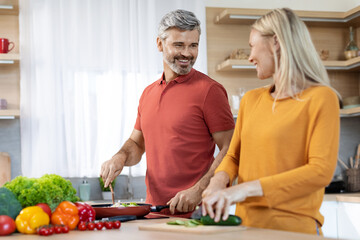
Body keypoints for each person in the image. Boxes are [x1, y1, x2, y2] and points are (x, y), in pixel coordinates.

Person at [201, 8, 340, 235]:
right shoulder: (251, 100)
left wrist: (243, 190)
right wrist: (218, 182)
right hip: (246, 227)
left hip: (294, 229)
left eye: (252, 46)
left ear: (276, 42)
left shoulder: (321, 98)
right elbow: (234, 156)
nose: (250, 56)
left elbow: (320, 171)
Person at [100, 9, 235, 216]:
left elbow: (231, 149)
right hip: (153, 214)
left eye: (193, 45)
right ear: (159, 44)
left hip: (196, 215)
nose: (187, 53)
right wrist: (119, 158)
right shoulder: (148, 93)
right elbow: (137, 144)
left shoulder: (210, 91)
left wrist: (199, 190)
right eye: (179, 45)